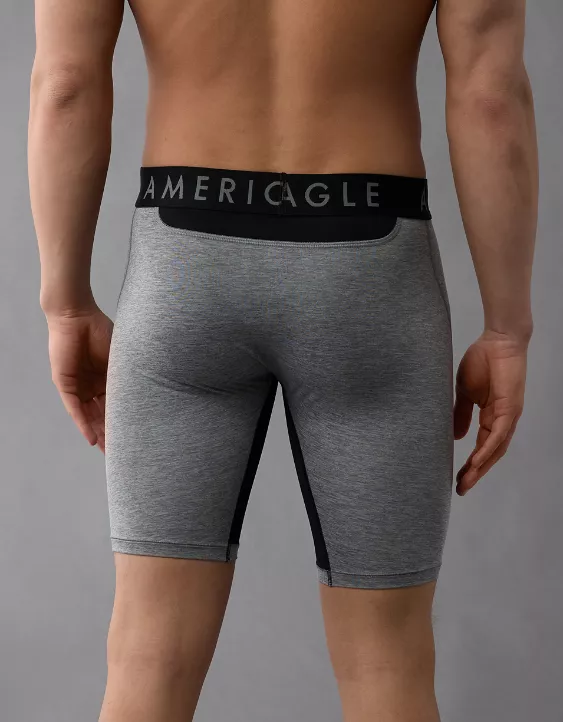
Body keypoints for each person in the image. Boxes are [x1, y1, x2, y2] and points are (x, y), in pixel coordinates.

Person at [28, 0, 538, 719]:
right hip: (370, 267)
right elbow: (490, 97)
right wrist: (506, 329)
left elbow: (65, 85)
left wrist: (65, 303)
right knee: (387, 661)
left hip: (184, 262)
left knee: (148, 654)